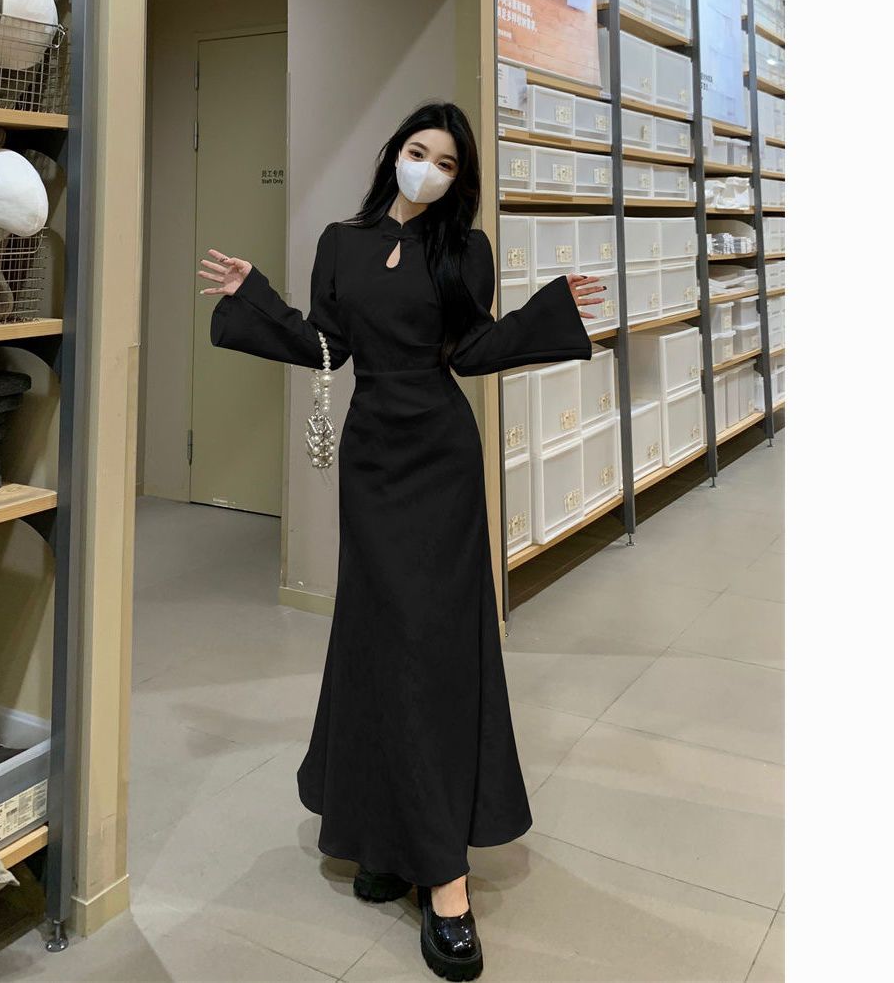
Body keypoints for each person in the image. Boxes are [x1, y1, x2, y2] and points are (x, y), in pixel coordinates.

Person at [198, 101, 604, 981]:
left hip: (442, 462)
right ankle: (384, 834)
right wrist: (252, 296)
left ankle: (445, 879)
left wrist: (547, 311)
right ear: (394, 156)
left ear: (459, 180)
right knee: (378, 642)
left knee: (434, 651)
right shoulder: (342, 243)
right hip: (372, 459)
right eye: (419, 152)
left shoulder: (464, 250)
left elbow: (474, 350)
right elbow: (326, 345)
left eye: (447, 163)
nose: (429, 169)